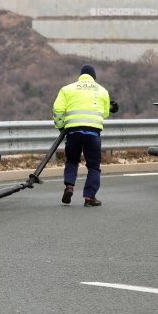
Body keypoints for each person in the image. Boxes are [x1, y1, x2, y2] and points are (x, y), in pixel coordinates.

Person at [52, 64, 111, 207]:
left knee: (72, 161)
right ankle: (89, 198)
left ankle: (69, 187)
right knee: (93, 166)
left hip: (73, 132)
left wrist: (60, 126)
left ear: (80, 76)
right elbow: (105, 113)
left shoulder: (67, 89)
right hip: (92, 133)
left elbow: (58, 109)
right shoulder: (102, 91)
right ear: (93, 77)